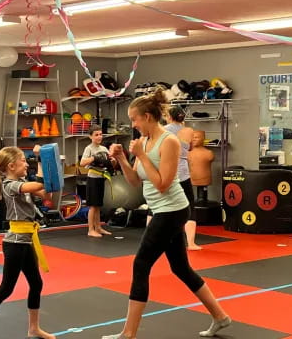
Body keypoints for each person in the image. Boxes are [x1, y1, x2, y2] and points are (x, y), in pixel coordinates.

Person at [104, 90, 230, 339]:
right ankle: (221, 317)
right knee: (181, 268)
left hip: (172, 210)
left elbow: (162, 183)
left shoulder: (168, 141)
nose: (133, 124)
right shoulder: (146, 142)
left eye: (135, 119)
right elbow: (135, 182)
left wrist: (140, 155)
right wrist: (122, 159)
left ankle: (129, 333)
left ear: (148, 116)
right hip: (162, 209)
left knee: (140, 264)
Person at [0, 146, 54, 339]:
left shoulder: (21, 181)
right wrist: (41, 160)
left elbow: (47, 197)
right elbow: (37, 186)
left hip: (26, 241)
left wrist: (53, 180)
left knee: (36, 284)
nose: (25, 163)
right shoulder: (9, 185)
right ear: (12, 166)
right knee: (6, 288)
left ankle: (33, 329)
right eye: (23, 160)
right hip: (15, 243)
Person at [164, 105, 201, 250]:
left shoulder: (163, 130)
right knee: (189, 205)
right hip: (183, 172)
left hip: (167, 172)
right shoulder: (189, 130)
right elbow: (190, 147)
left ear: (169, 117)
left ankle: (154, 239)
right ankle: (191, 243)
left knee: (158, 205)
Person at [80, 124, 115, 238]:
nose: (99, 137)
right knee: (93, 206)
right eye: (96, 135)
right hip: (92, 179)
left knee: (98, 205)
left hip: (101, 178)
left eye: (100, 134)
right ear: (90, 136)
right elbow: (82, 163)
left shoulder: (104, 149)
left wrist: (113, 160)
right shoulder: (89, 148)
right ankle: (90, 229)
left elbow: (111, 164)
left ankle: (98, 227)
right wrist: (94, 158)